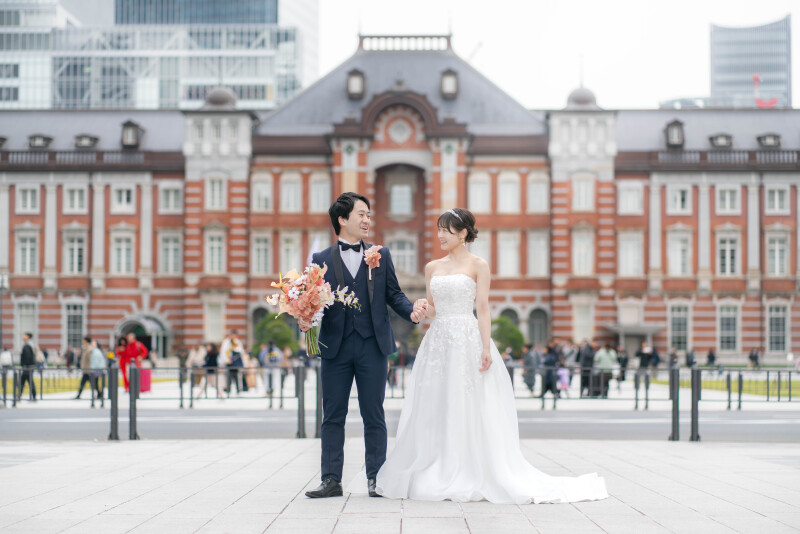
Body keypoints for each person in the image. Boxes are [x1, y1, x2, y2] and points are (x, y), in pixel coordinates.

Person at [361, 208, 607, 503]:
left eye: (446, 230)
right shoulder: (431, 267)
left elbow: (483, 308)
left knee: (468, 402)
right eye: (438, 229)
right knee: (436, 403)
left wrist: (486, 346)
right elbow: (435, 310)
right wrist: (424, 307)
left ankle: (468, 466)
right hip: (438, 341)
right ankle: (437, 463)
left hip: (467, 337)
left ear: (463, 233)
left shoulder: (479, 265)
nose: (440, 235)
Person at [304, 192, 427, 499]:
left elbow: (394, 295)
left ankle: (376, 479)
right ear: (342, 219)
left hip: (373, 346)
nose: (367, 220)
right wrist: (305, 318)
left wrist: (411, 310)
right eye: (361, 214)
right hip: (335, 347)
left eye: (369, 215)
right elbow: (311, 303)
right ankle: (331, 479)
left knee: (374, 413)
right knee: (332, 416)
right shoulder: (320, 260)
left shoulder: (380, 255)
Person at [540, 342, 560, 409]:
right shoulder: (552, 355)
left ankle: (543, 405)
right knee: (553, 392)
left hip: (548, 376)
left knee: (545, 391)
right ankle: (553, 405)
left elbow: (545, 362)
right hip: (551, 376)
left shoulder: (547, 356)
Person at [18, 333, 37, 401]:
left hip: (27, 367)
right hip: (29, 367)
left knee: (25, 381)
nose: (23, 336)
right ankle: (33, 396)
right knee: (27, 381)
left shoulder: (27, 346)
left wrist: (24, 365)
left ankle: (20, 396)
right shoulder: (30, 345)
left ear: (28, 337)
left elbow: (27, 357)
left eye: (25, 335)